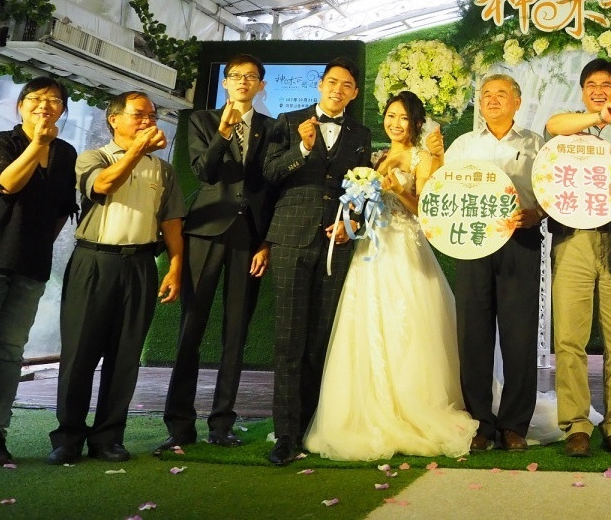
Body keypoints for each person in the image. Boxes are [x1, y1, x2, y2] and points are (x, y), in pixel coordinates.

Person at [304, 90, 477, 459]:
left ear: (415, 123)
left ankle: (413, 405)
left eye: (403, 118)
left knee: (408, 324)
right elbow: (363, 206)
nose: (395, 123)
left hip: (404, 247)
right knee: (365, 325)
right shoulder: (375, 157)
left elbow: (426, 211)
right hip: (370, 249)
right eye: (390, 116)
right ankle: (366, 408)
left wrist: (399, 190)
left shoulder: (421, 158)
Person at [47, 92, 185, 465]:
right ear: (114, 119)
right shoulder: (93, 157)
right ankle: (68, 437)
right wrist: (138, 150)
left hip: (139, 264)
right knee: (79, 353)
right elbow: (103, 185)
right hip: (93, 261)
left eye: (152, 115)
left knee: (125, 355)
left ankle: (109, 438)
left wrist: (175, 267)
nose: (148, 121)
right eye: (139, 114)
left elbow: (171, 221)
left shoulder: (163, 170)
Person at [154, 54, 275, 455]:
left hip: (249, 237)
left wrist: (266, 241)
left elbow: (272, 188)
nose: (243, 81)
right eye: (236, 76)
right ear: (225, 83)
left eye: (251, 76)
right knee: (191, 327)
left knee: (236, 332)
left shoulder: (272, 128)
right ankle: (179, 425)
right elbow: (204, 172)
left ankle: (222, 423)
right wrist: (223, 133)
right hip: (205, 232)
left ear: (261, 86)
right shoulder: (202, 121)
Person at [262, 57, 372, 466]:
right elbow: (270, 173)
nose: (337, 90)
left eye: (346, 85)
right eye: (332, 82)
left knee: (321, 339)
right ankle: (286, 435)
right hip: (291, 239)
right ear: (320, 84)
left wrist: (352, 223)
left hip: (335, 244)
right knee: (288, 339)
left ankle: (312, 426)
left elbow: (363, 187)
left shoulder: (361, 134)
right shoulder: (289, 122)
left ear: (354, 93)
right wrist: (304, 147)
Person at [0, 78, 78, 466]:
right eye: (35, 99)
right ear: (20, 106)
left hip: (32, 266)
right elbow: (7, 185)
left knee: (9, 353)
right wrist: (38, 143)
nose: (44, 106)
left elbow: (62, 210)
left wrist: (38, 246)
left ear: (62, 110)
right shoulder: (0, 143)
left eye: (54, 100)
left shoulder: (66, 153)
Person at [544, 58, 611, 459]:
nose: (599, 90)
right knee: (569, 337)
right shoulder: (567, 129)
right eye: (591, 85)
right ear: (583, 91)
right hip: (573, 240)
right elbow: (553, 124)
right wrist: (597, 118)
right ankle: (577, 425)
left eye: (607, 85)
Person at [444, 73, 544, 453]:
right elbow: (443, 191)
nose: (493, 99)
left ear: (517, 102)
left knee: (520, 336)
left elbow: (549, 192)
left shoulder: (536, 144)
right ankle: (480, 423)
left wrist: (537, 214)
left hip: (520, 240)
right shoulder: (463, 145)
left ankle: (515, 425)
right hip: (473, 243)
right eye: (486, 94)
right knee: (473, 335)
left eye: (502, 94)